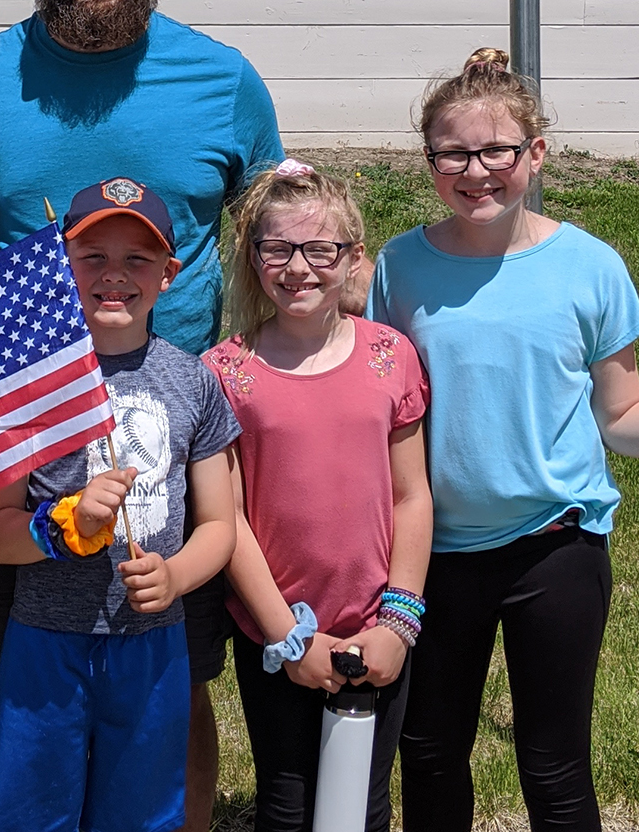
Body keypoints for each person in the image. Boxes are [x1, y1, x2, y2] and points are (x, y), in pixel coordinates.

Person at [367, 48, 639, 832]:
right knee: (430, 750)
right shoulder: (399, 268)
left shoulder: (591, 267)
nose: (476, 171)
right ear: (429, 161)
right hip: (431, 551)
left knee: (554, 760)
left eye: (496, 150)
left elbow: (624, 419)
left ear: (535, 154)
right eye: (453, 154)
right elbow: (376, 411)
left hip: (555, 546)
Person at [0, 0, 287, 832]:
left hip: (169, 433)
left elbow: (278, 239)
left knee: (177, 687)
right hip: (14, 437)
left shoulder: (223, 80)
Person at [0, 177, 239, 832]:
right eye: (92, 256)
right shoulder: (27, 382)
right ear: (62, 264)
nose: (113, 275)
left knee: (144, 812)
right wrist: (65, 524)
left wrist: (176, 575)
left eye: (137, 259)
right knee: (32, 812)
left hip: (152, 643)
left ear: (169, 274)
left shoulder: (192, 381)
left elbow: (220, 526)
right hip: (46, 640)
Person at [206, 159, 432, 831]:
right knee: (286, 800)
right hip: (273, 629)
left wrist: (398, 622)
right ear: (253, 256)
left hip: (379, 624)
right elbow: (231, 520)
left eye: (319, 249)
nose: (297, 267)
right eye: (277, 248)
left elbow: (412, 497)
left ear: (353, 256)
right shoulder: (225, 371)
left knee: (362, 803)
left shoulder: (391, 356)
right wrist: (286, 636)